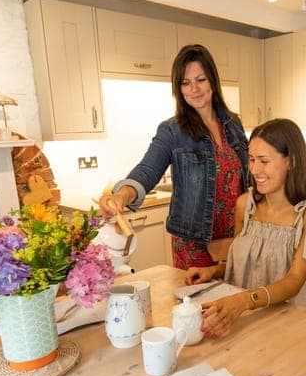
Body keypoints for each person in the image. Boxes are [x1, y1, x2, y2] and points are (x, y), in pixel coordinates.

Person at [99, 44, 250, 269]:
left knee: (235, 299)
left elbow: (249, 175)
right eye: (185, 83)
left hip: (236, 237)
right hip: (194, 242)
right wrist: (122, 195)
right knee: (197, 303)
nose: (194, 89)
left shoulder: (233, 124)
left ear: (213, 81)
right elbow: (146, 172)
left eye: (201, 80)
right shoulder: (172, 130)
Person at [185, 118, 306, 338]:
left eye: (264, 160)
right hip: (248, 320)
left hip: (294, 326)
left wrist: (243, 301)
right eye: (252, 159)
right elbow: (243, 262)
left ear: (291, 161)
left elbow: (293, 283)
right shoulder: (245, 205)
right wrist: (214, 271)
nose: (255, 169)